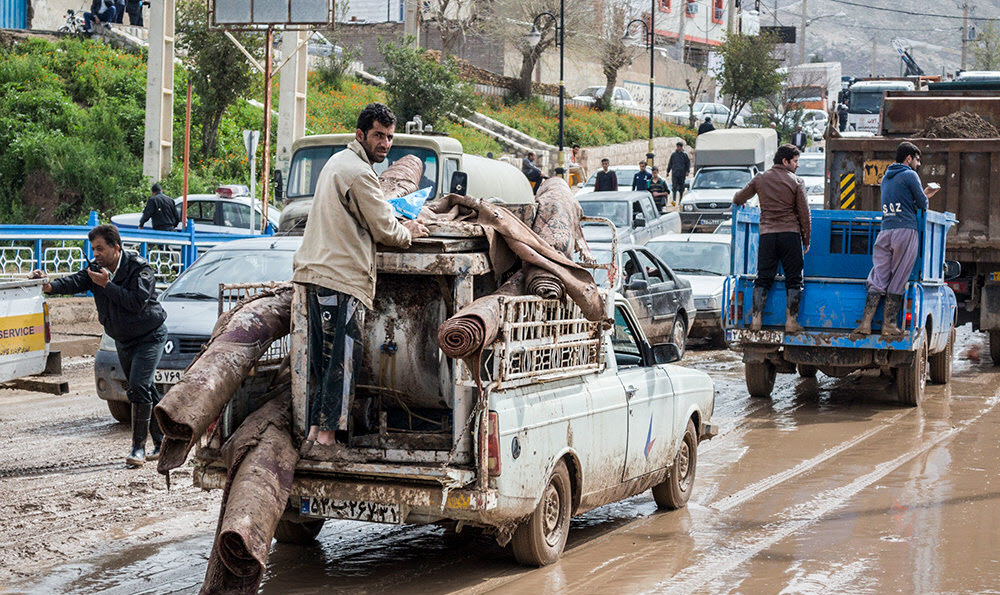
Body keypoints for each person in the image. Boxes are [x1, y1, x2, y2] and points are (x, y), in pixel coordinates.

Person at [292, 103, 428, 450]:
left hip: (317, 273)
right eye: (378, 136)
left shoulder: (337, 162)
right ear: (360, 135)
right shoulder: (360, 173)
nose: (385, 143)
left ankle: (312, 432)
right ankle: (326, 437)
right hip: (342, 277)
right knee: (342, 359)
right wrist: (409, 230)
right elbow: (384, 228)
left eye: (389, 137)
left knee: (321, 360)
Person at [29, 225, 167, 468]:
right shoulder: (95, 270)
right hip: (123, 339)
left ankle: (138, 449)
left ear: (116, 247)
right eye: (93, 249)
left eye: (100, 249)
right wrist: (47, 285)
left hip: (149, 336)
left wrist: (107, 285)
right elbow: (75, 282)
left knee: (137, 387)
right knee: (144, 389)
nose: (96, 254)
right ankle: (162, 441)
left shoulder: (139, 267)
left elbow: (136, 302)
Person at [851, 142, 939, 338]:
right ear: (909, 158)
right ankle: (889, 324)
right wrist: (927, 194)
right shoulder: (910, 175)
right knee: (899, 277)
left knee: (879, 276)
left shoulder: (886, 178)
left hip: (886, 231)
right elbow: (922, 204)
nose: (918, 164)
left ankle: (865, 323)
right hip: (905, 230)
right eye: (917, 160)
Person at [733, 144, 811, 333]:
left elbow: (739, 198)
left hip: (767, 235)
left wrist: (739, 202)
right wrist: (806, 239)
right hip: (790, 235)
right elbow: (804, 213)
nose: (797, 165)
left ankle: (757, 321)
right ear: (785, 161)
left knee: (763, 277)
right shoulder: (796, 181)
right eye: (795, 161)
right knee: (794, 279)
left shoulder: (760, 178)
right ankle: (791, 322)